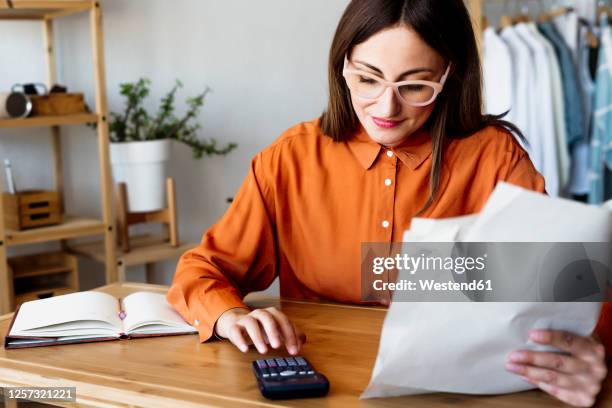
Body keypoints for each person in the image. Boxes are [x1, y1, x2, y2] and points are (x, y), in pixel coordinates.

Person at [167, 0, 608, 406]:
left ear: (449, 75)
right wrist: (229, 316)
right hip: (320, 390)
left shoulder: (495, 158)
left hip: (458, 396)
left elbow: (567, 289)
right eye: (367, 79)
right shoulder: (290, 159)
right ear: (342, 66)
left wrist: (591, 352)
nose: (386, 107)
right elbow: (203, 268)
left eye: (415, 86)